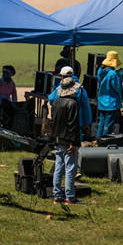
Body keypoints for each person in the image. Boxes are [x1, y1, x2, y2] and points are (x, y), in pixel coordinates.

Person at [50, 76, 82, 205]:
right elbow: (73, 125)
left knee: (58, 168)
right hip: (69, 140)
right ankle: (70, 197)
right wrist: (73, 143)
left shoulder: (56, 102)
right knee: (70, 169)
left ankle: (57, 195)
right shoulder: (72, 103)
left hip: (58, 139)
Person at [96, 51, 123, 138]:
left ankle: (98, 139)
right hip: (111, 103)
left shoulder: (100, 71)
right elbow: (118, 88)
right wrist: (119, 77)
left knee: (101, 123)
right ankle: (104, 142)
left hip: (102, 102)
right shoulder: (113, 74)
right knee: (108, 125)